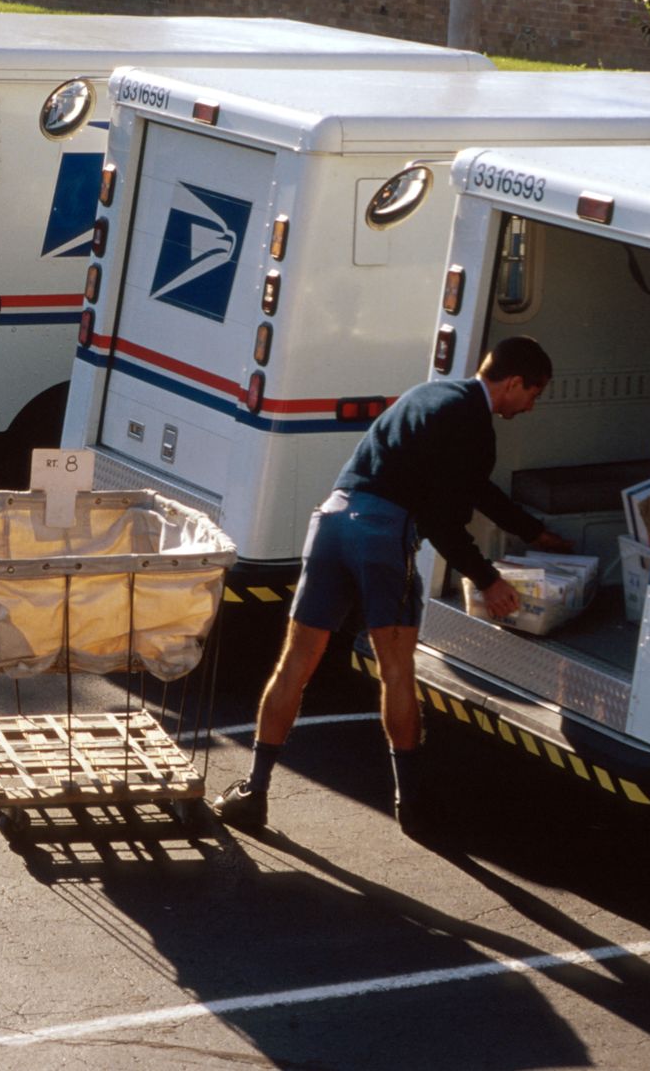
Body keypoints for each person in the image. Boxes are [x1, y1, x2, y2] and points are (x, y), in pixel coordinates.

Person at [213, 335, 571, 836]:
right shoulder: (474, 424)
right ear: (512, 383)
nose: (531, 406)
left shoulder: (428, 395)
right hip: (382, 535)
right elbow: (444, 521)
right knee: (396, 673)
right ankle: (413, 806)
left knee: (295, 664)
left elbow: (474, 488)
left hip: (332, 522)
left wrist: (532, 530)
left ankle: (254, 790)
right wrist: (487, 581)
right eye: (533, 394)